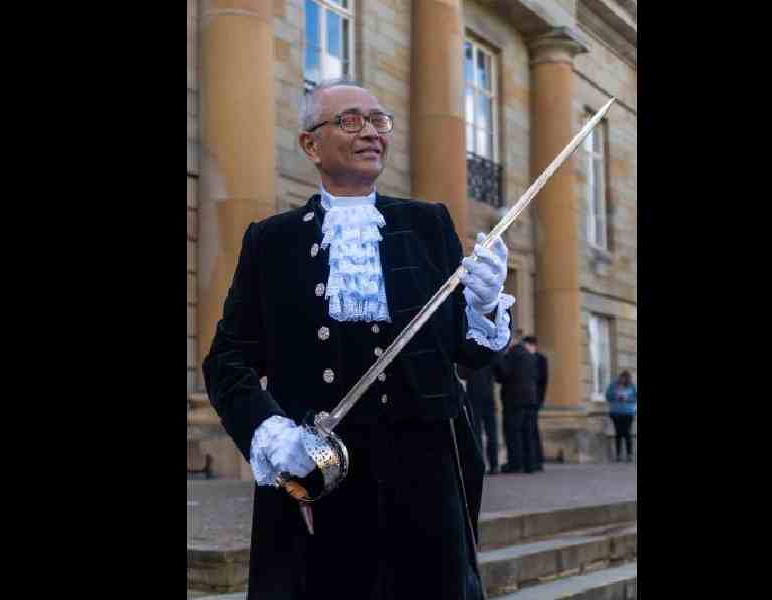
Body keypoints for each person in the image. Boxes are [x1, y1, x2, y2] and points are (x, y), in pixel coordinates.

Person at [202, 78, 515, 600]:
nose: (371, 132)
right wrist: (272, 433)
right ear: (310, 144)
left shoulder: (428, 224)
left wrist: (482, 307)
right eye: (350, 121)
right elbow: (226, 360)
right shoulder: (272, 240)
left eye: (378, 121)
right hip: (320, 478)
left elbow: (467, 353)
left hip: (426, 485)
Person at [494, 333, 539, 473]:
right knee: (528, 433)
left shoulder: (512, 355)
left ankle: (515, 464)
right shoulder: (530, 356)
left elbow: (504, 373)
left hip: (514, 399)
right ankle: (530, 464)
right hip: (530, 399)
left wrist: (497, 360)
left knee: (513, 433)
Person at [457, 357, 501, 475]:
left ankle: (479, 465)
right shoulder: (490, 355)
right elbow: (500, 372)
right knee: (492, 432)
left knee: (476, 432)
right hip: (489, 396)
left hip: (474, 396)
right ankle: (494, 465)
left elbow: (461, 374)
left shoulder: (470, 356)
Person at [522, 336, 547, 471]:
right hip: (529, 399)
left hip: (534, 399)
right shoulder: (530, 358)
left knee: (532, 431)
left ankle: (537, 460)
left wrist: (540, 400)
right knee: (530, 430)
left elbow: (542, 381)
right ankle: (532, 460)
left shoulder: (540, 359)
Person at [606, 371, 637, 462]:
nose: (622, 380)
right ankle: (618, 455)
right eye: (621, 378)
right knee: (618, 433)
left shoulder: (632, 386)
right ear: (619, 377)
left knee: (627, 433)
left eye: (625, 378)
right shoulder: (613, 385)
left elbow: (635, 398)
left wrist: (627, 398)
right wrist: (616, 396)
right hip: (616, 412)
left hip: (628, 413)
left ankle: (629, 454)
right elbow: (608, 396)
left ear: (628, 379)